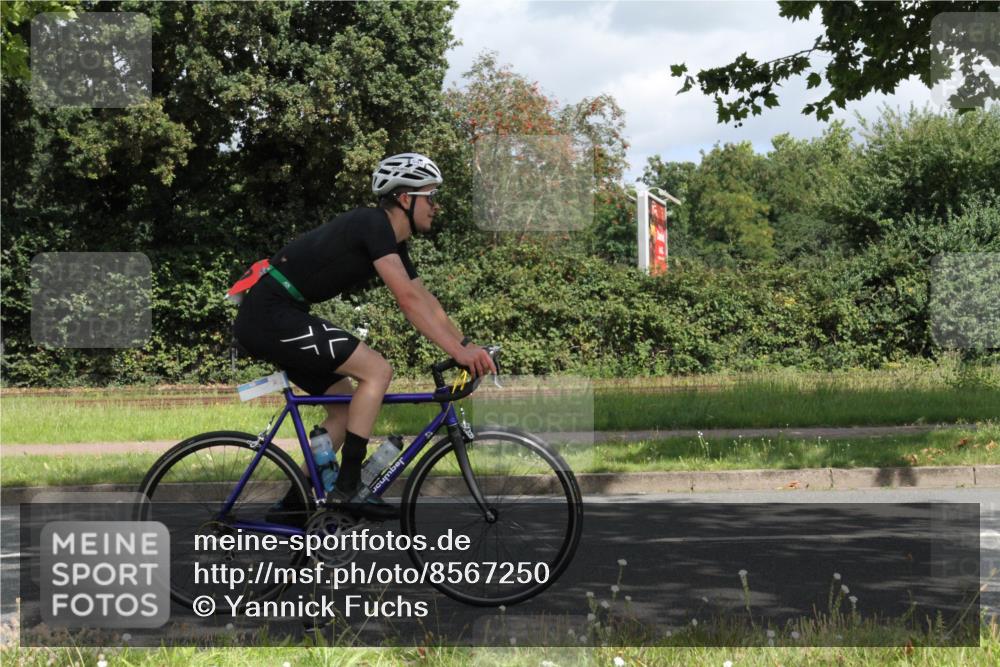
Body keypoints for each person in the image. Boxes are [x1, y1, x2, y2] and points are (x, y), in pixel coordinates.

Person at [232, 153, 496, 521]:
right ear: (406, 198)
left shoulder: (392, 241)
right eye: (432, 196)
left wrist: (465, 346)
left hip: (280, 314)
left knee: (345, 409)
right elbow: (407, 301)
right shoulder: (372, 223)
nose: (437, 206)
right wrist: (458, 351)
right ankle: (348, 487)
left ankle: (293, 506)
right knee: (377, 370)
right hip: (270, 315)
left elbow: (423, 298)